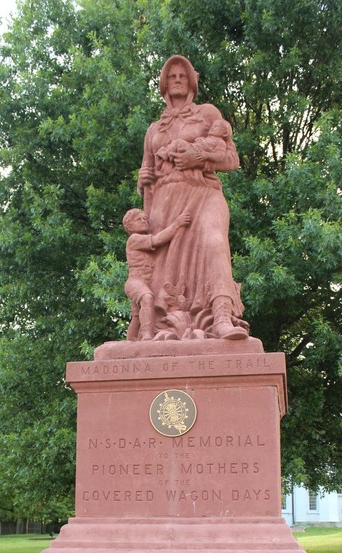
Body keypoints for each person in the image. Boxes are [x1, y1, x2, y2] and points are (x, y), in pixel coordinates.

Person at [136, 55, 249, 341]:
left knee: (214, 242)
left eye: (182, 76)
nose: (176, 80)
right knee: (168, 272)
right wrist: (144, 181)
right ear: (163, 83)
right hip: (165, 203)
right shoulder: (153, 129)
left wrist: (196, 157)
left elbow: (232, 159)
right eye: (171, 76)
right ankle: (164, 328)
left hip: (203, 192)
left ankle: (222, 316)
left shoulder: (208, 114)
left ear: (191, 82)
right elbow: (146, 172)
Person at [123, 208, 191, 341]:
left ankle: (130, 342)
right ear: (129, 226)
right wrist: (177, 224)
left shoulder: (139, 239)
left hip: (146, 282)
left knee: (137, 317)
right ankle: (148, 334)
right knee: (147, 297)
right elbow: (157, 240)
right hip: (135, 281)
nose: (143, 221)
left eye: (145, 219)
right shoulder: (134, 239)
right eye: (139, 219)